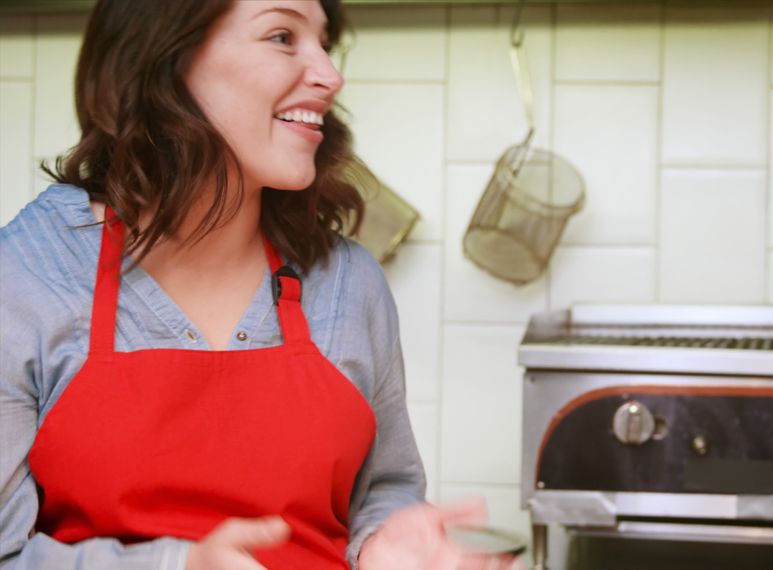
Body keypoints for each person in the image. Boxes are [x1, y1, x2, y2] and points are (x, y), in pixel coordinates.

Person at [0, 1, 513, 569]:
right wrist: (178, 566)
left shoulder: (347, 280)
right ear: (163, 56)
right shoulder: (27, 276)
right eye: (282, 36)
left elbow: (384, 491)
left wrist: (384, 547)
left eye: (325, 42)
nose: (330, 75)